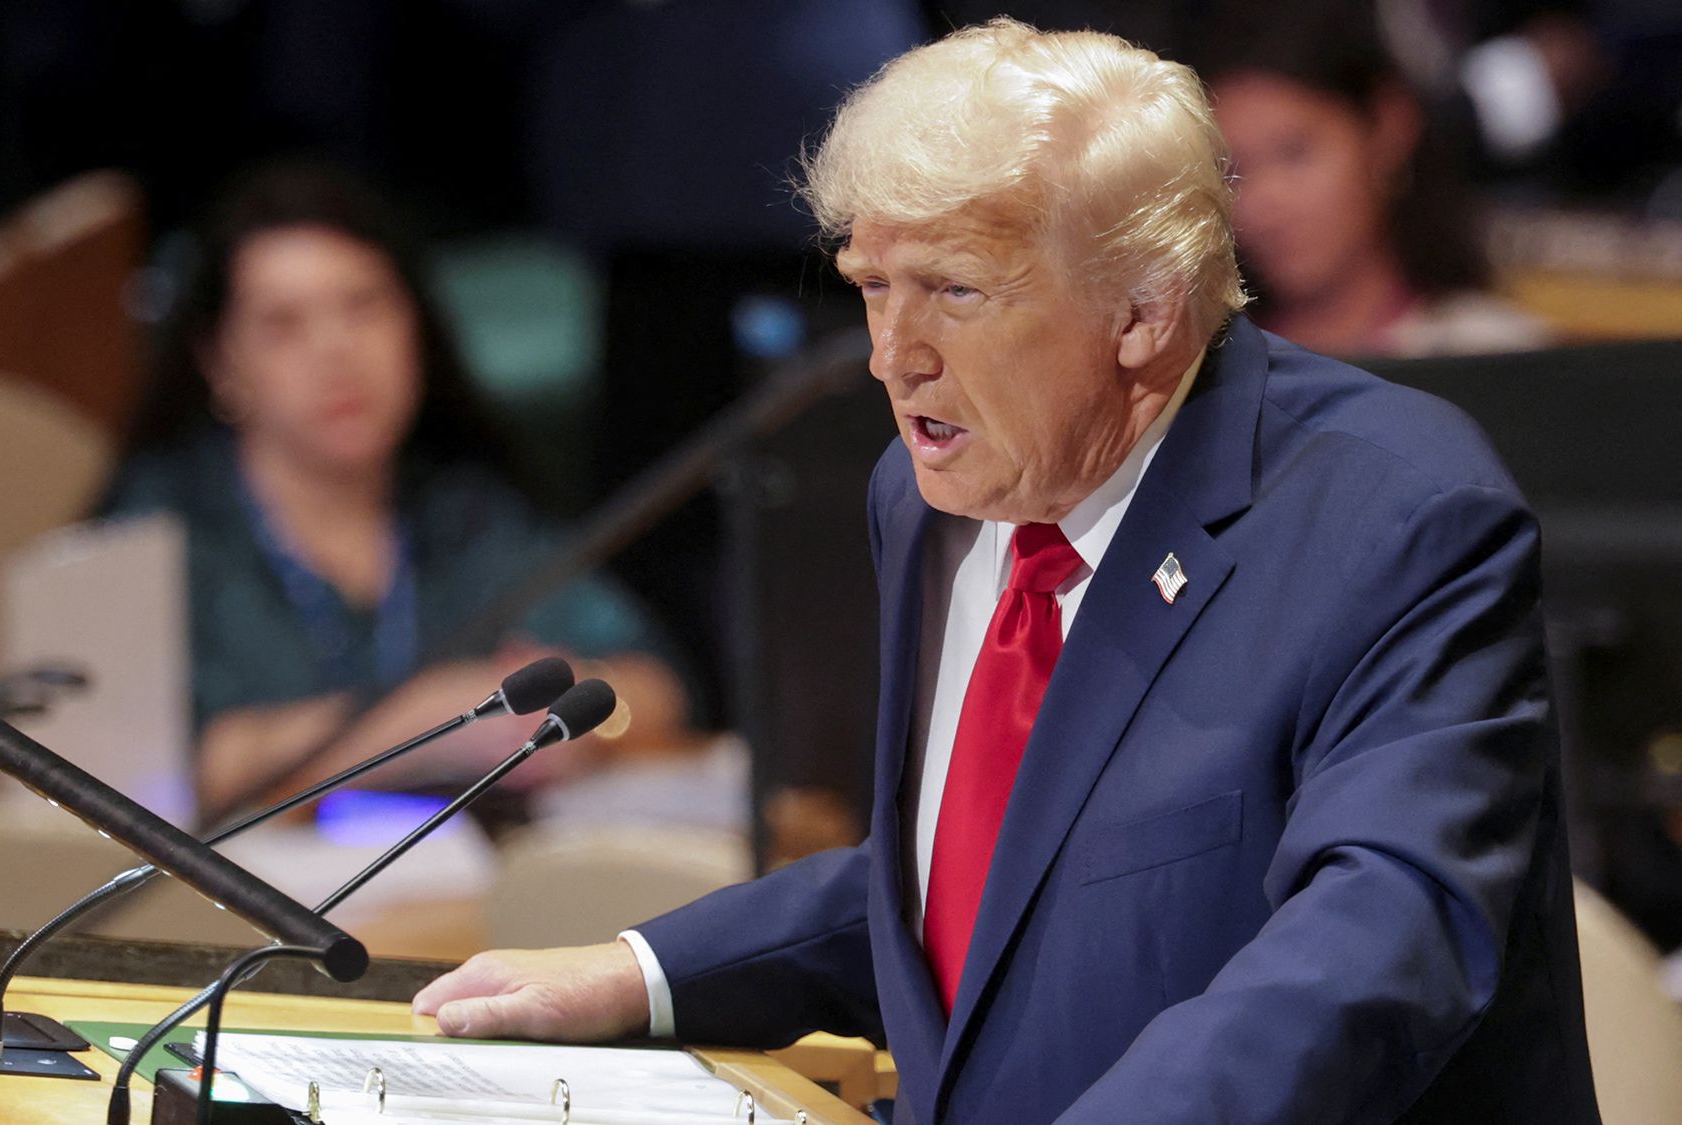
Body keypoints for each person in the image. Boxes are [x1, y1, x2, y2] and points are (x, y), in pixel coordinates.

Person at [411, 21, 1598, 1124]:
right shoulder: (927, 495)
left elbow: (1380, 942)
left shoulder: (1390, 512)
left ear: (1141, 311)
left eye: (954, 293)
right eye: (872, 288)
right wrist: (636, 973)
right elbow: (985, 874)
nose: (892, 359)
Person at [100, 161, 692, 814]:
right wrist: (437, 719)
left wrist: (580, 721)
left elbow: (654, 686)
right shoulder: (155, 530)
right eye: (285, 324)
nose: (337, 351)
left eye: (364, 305)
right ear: (220, 362)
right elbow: (152, 774)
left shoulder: (461, 507)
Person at [1193, 0, 1549, 358]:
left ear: (1389, 128)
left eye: (1294, 153)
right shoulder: (1204, 368)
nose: (1260, 203)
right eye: (1232, 171)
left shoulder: (1488, 352)